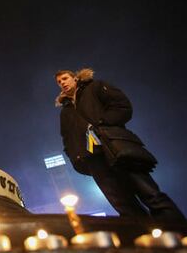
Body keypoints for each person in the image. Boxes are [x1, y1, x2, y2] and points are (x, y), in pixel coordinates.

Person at [55, 68, 185, 222]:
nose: (62, 83)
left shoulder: (96, 87)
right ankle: (147, 239)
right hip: (94, 160)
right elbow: (66, 137)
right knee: (124, 206)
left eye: (65, 78)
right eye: (59, 82)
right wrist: (74, 156)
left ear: (75, 78)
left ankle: (180, 234)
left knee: (150, 194)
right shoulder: (65, 111)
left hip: (116, 149)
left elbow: (122, 106)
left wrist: (102, 124)